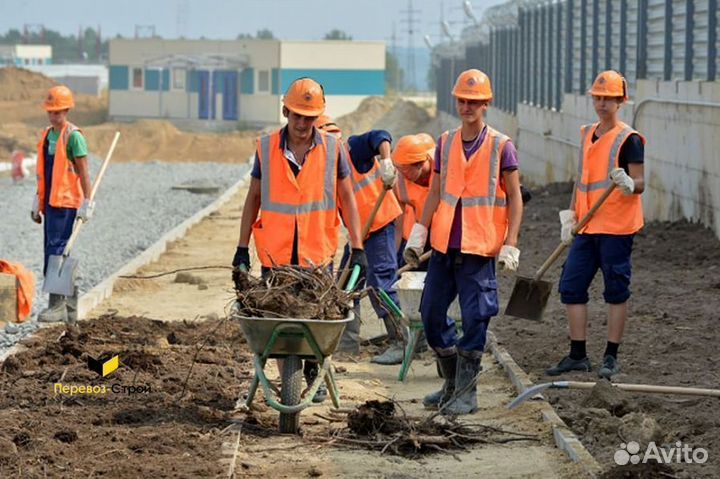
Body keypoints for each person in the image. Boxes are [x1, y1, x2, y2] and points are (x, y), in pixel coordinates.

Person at [233, 78, 367, 402]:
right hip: (275, 255)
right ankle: (291, 379)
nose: (303, 124)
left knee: (316, 318)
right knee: (277, 320)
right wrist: (241, 247)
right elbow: (253, 197)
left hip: (316, 254)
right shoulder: (266, 149)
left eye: (310, 117)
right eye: (297, 116)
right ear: (285, 112)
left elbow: (348, 198)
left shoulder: (334, 149)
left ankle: (313, 371)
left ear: (319, 116)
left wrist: (359, 247)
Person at [404, 69, 524, 415]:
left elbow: (515, 197)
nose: (467, 107)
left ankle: (467, 392)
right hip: (444, 246)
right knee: (430, 314)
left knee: (475, 318)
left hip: (479, 248)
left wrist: (510, 243)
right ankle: (452, 382)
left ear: (486, 103)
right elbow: (436, 190)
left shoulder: (502, 146)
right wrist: (420, 231)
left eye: (474, 101)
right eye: (462, 100)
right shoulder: (445, 142)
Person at [547, 70, 645, 380]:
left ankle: (611, 357)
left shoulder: (628, 139)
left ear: (620, 101)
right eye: (598, 98)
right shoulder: (587, 134)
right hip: (586, 227)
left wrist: (630, 183)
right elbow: (583, 179)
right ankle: (578, 355)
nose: (602, 103)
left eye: (609, 99)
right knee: (571, 286)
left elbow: (641, 182)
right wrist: (571, 215)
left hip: (616, 228)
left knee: (615, 290)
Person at [315, 116, 404, 364]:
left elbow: (381, 135)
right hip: (359, 236)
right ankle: (346, 344)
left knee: (381, 282)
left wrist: (386, 163)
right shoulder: (324, 169)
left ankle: (401, 341)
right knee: (345, 285)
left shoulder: (353, 150)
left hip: (380, 226)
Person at [32, 85, 94, 325]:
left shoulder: (73, 136)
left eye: (57, 112)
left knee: (58, 250)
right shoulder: (48, 135)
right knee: (52, 250)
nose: (53, 116)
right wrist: (37, 200)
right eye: (50, 111)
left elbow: (84, 173)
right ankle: (69, 308)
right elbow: (45, 173)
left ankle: (57, 305)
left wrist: (87, 201)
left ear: (66, 110)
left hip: (67, 203)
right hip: (50, 203)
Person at [392, 133, 436, 270]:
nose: (402, 175)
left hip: (441, 238)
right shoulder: (400, 182)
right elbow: (398, 227)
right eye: (399, 170)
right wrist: (393, 258)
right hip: (416, 237)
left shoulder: (442, 174)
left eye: (405, 171)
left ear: (420, 165)